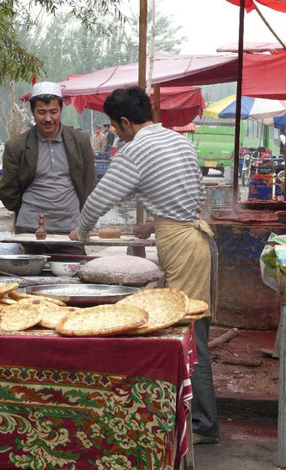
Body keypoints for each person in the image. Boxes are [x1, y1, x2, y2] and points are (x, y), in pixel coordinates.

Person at [70, 86, 219, 444]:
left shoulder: (136, 149)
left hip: (183, 246)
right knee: (195, 331)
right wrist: (154, 223)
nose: (116, 135)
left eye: (115, 128)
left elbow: (102, 197)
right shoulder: (177, 140)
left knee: (189, 334)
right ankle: (197, 415)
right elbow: (191, 194)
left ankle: (203, 425)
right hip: (199, 239)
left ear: (124, 122)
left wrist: (79, 232)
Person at [0, 81, 95, 252]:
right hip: (29, 228)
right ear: (33, 112)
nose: (48, 118)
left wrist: (84, 221)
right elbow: (8, 190)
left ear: (61, 111)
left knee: (72, 271)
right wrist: (29, 208)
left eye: (53, 112)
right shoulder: (17, 146)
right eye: (41, 112)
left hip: (70, 228)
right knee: (31, 275)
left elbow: (88, 184)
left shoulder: (80, 140)